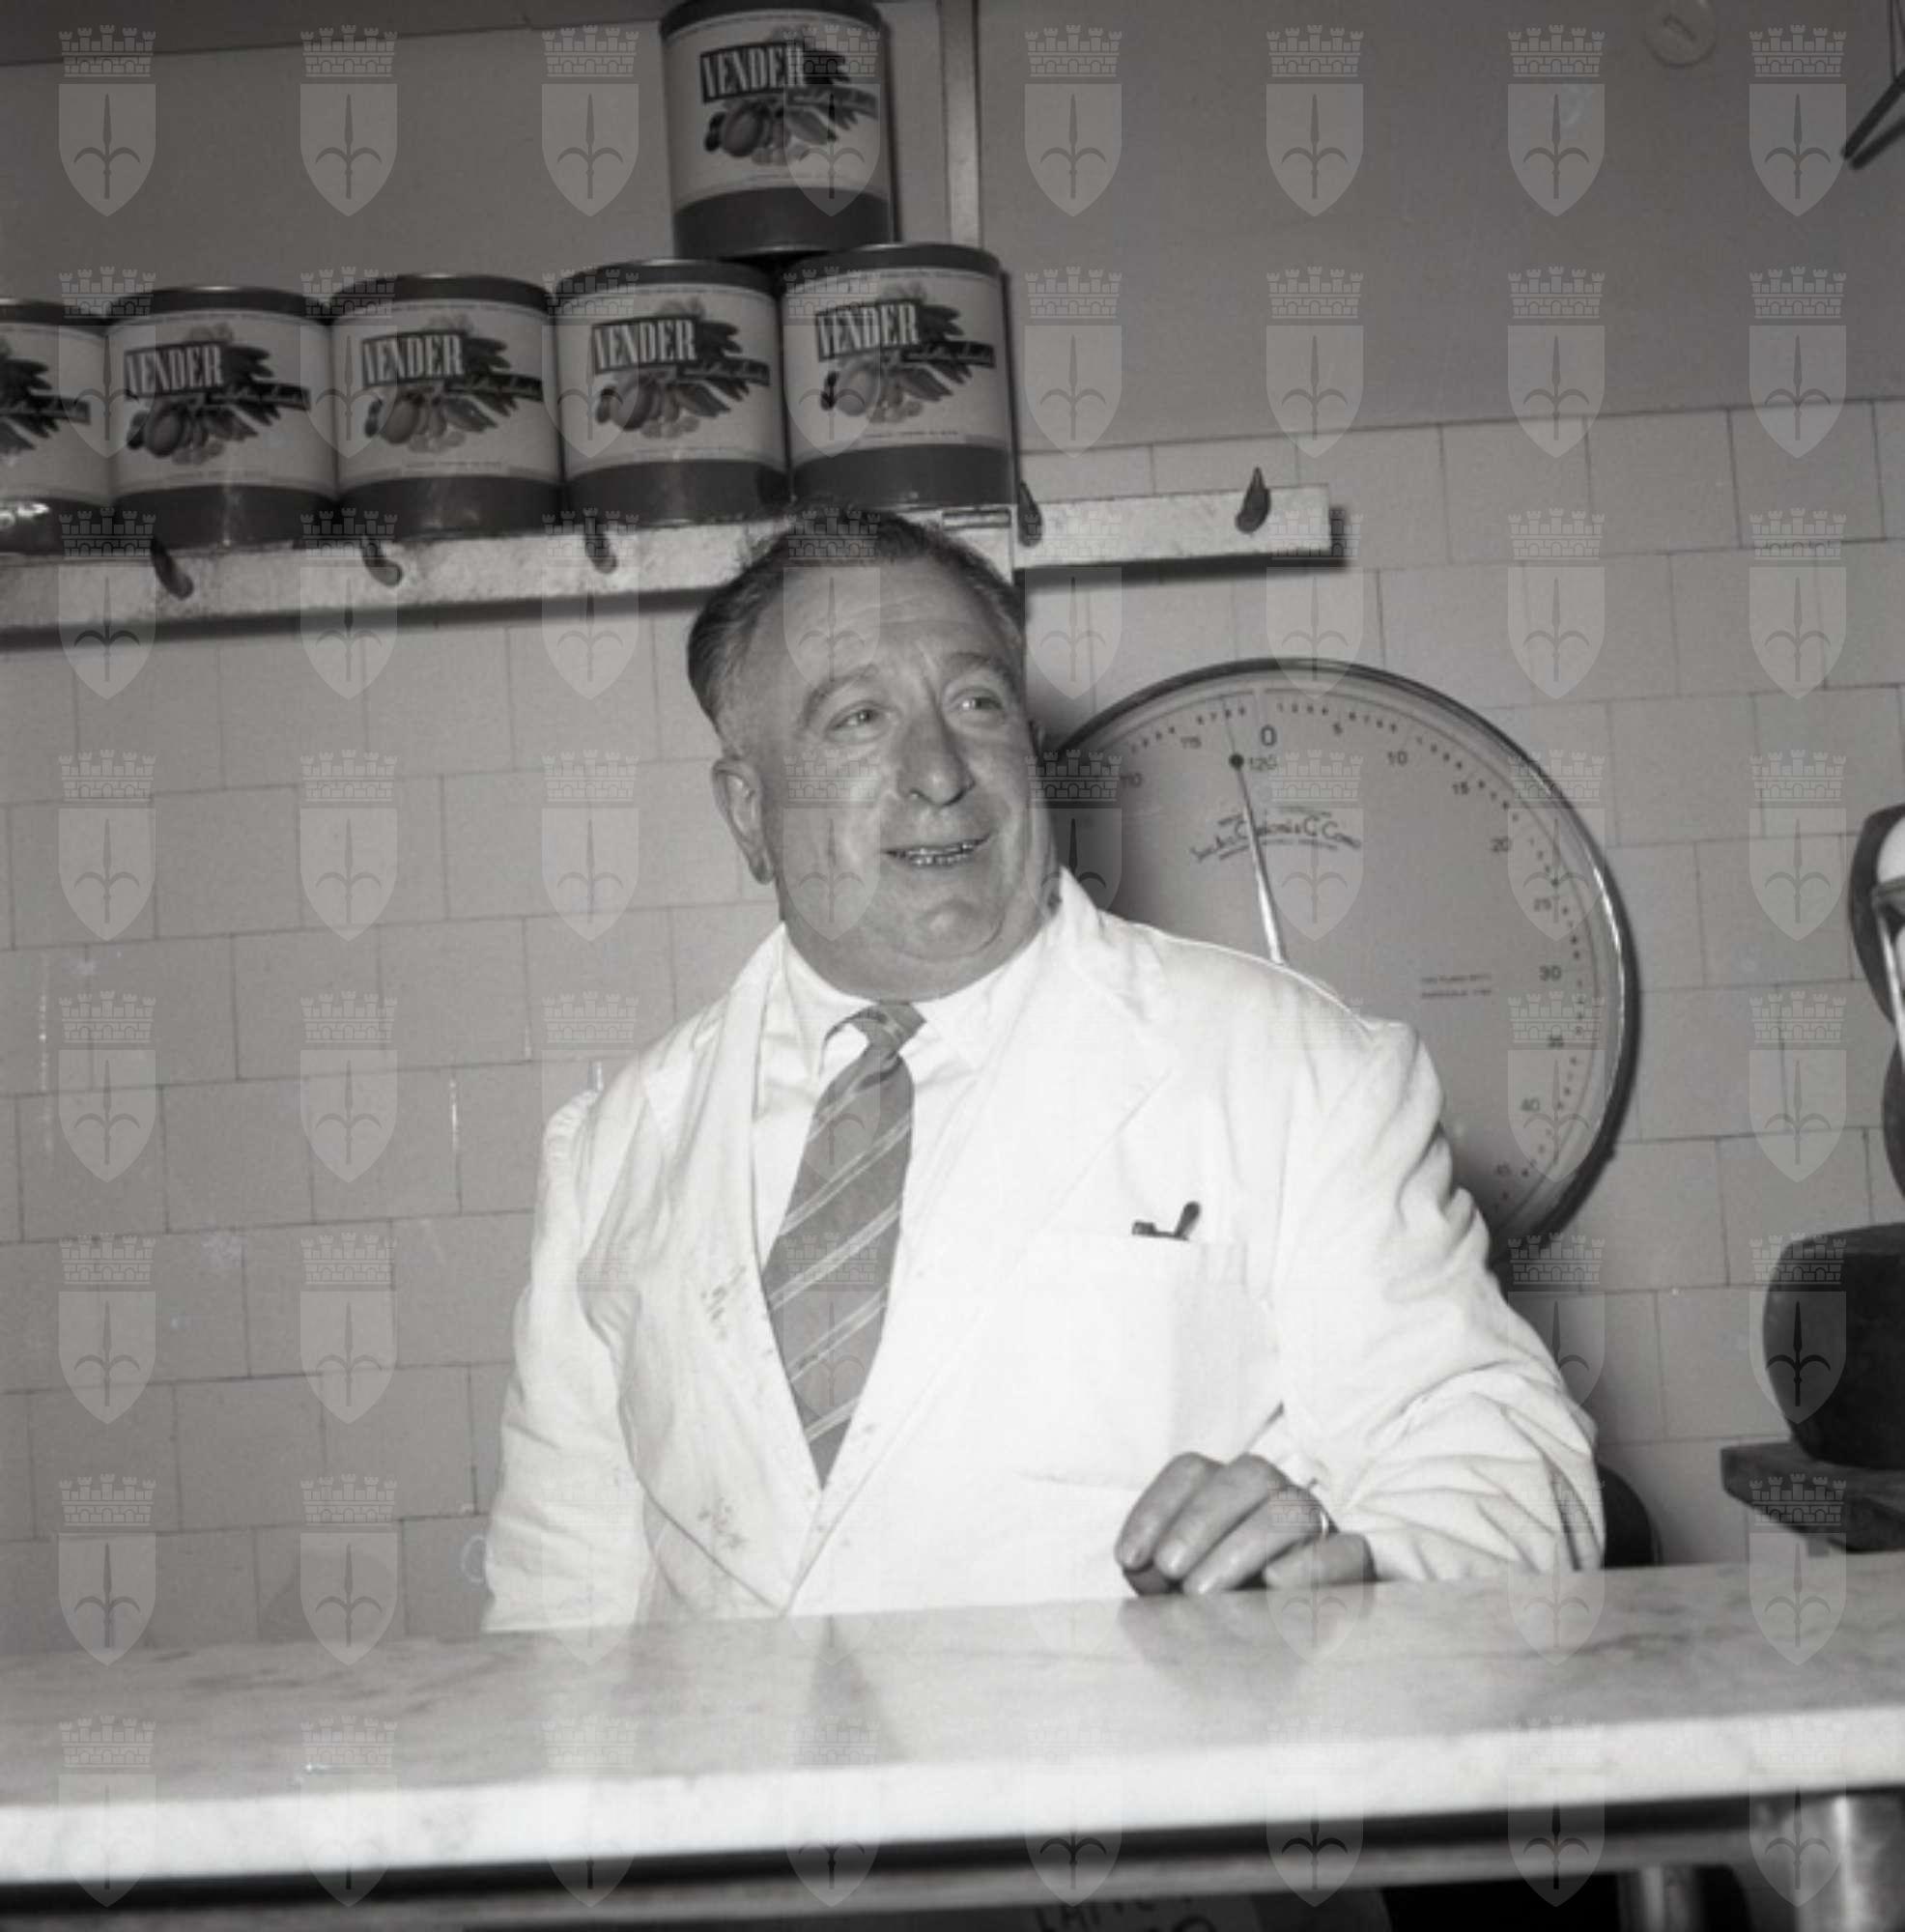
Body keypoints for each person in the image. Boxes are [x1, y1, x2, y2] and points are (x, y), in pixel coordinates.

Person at [483, 504, 1603, 1635]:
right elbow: (558, 1603)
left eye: (976, 703)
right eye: (859, 719)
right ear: (746, 808)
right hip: (723, 1759)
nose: (939, 771)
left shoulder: (1301, 1071)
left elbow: (1504, 1466)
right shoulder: (613, 1148)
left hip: (1147, 1751)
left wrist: (1355, 1565)